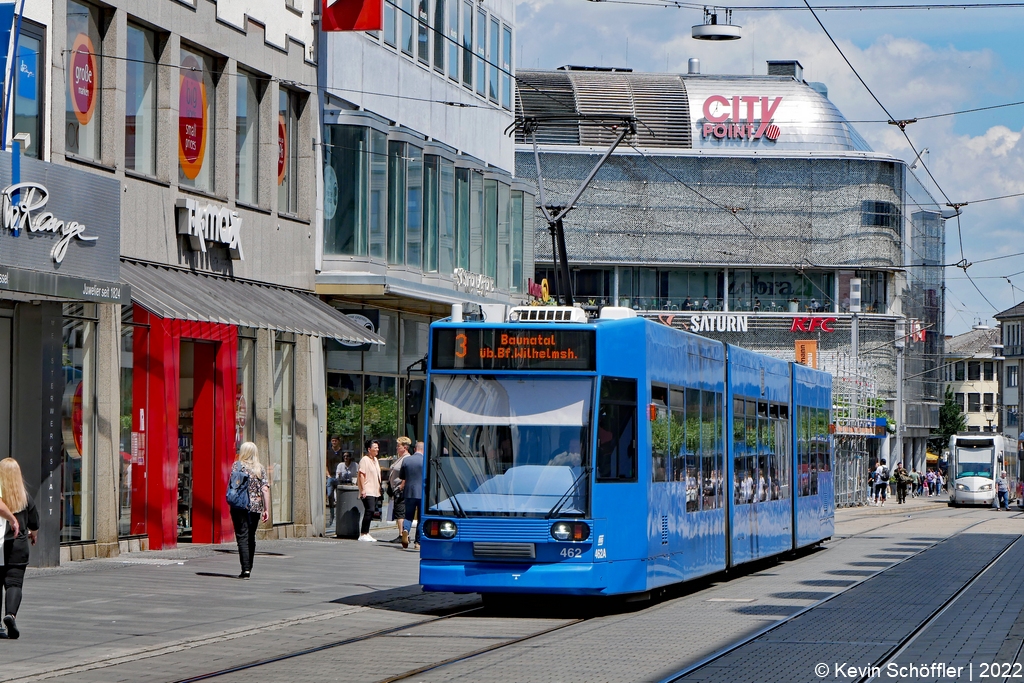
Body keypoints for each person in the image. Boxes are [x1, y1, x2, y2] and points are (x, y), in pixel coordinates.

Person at [0, 458, 35, 639]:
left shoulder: (1, 497)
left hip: (0, 545)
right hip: (18, 545)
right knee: (14, 583)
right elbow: (35, 521)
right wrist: (33, 534)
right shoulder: (24, 496)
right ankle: (11, 615)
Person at [228, 442, 270, 580]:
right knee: (251, 536)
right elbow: (265, 489)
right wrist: (266, 509)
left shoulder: (237, 466)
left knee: (242, 536)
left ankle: (245, 569)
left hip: (240, 505)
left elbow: (233, 485)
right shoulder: (260, 469)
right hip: (256, 506)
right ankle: (249, 567)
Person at [398, 442, 424, 549]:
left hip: (409, 492)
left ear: (415, 449)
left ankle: (405, 531)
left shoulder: (407, 460)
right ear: (424, 450)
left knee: (408, 515)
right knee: (421, 518)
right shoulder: (425, 461)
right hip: (422, 493)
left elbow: (401, 476)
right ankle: (418, 542)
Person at [387, 437, 413, 543]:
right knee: (398, 511)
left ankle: (402, 534)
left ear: (405, 447)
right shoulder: (400, 458)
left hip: (400, 489)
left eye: (399, 446)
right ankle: (402, 533)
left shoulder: (407, 458)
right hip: (395, 488)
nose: (397, 448)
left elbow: (406, 475)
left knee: (400, 512)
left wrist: (401, 486)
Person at [357, 439, 382, 542]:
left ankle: (366, 532)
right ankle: (363, 533)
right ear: (369, 449)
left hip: (375, 490)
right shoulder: (364, 460)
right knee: (369, 510)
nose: (377, 449)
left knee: (371, 512)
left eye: (377, 448)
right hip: (367, 490)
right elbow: (361, 475)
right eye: (375, 448)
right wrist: (362, 489)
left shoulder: (375, 460)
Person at [326, 436, 345, 523]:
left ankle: (339, 515)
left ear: (338, 441)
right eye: (332, 441)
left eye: (335, 441)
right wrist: (328, 474)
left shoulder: (342, 452)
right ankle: (331, 514)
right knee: (330, 495)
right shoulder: (328, 452)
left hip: (339, 477)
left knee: (340, 496)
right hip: (331, 476)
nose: (334, 442)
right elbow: (325, 463)